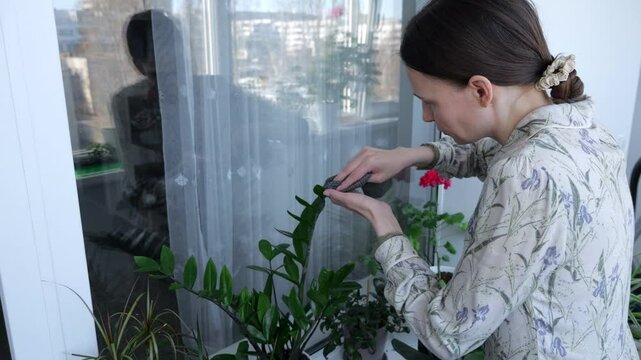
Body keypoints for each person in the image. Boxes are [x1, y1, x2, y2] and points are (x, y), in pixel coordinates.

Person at [323, 0, 638, 358]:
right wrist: (415, 155)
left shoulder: (528, 172)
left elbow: (448, 333)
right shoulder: (584, 130)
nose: (426, 115)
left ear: (480, 90)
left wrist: (385, 225)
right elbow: (494, 153)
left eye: (430, 102)